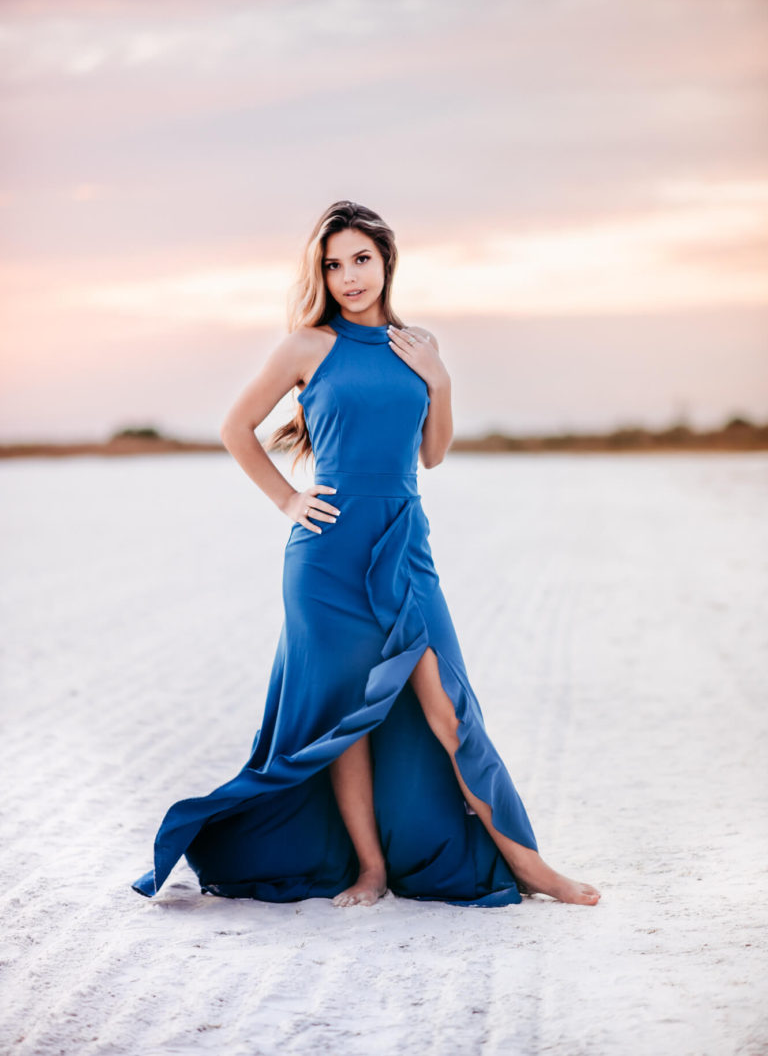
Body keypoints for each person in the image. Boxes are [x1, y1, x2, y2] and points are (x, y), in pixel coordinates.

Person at [132, 200, 600, 909]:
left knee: (449, 711)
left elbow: (433, 455)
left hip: (405, 546)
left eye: (361, 260)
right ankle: (370, 870)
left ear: (386, 261)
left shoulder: (418, 343)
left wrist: (440, 380)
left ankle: (531, 866)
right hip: (325, 559)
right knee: (344, 719)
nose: (349, 276)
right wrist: (290, 500)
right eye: (333, 264)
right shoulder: (306, 346)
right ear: (321, 273)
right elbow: (236, 427)